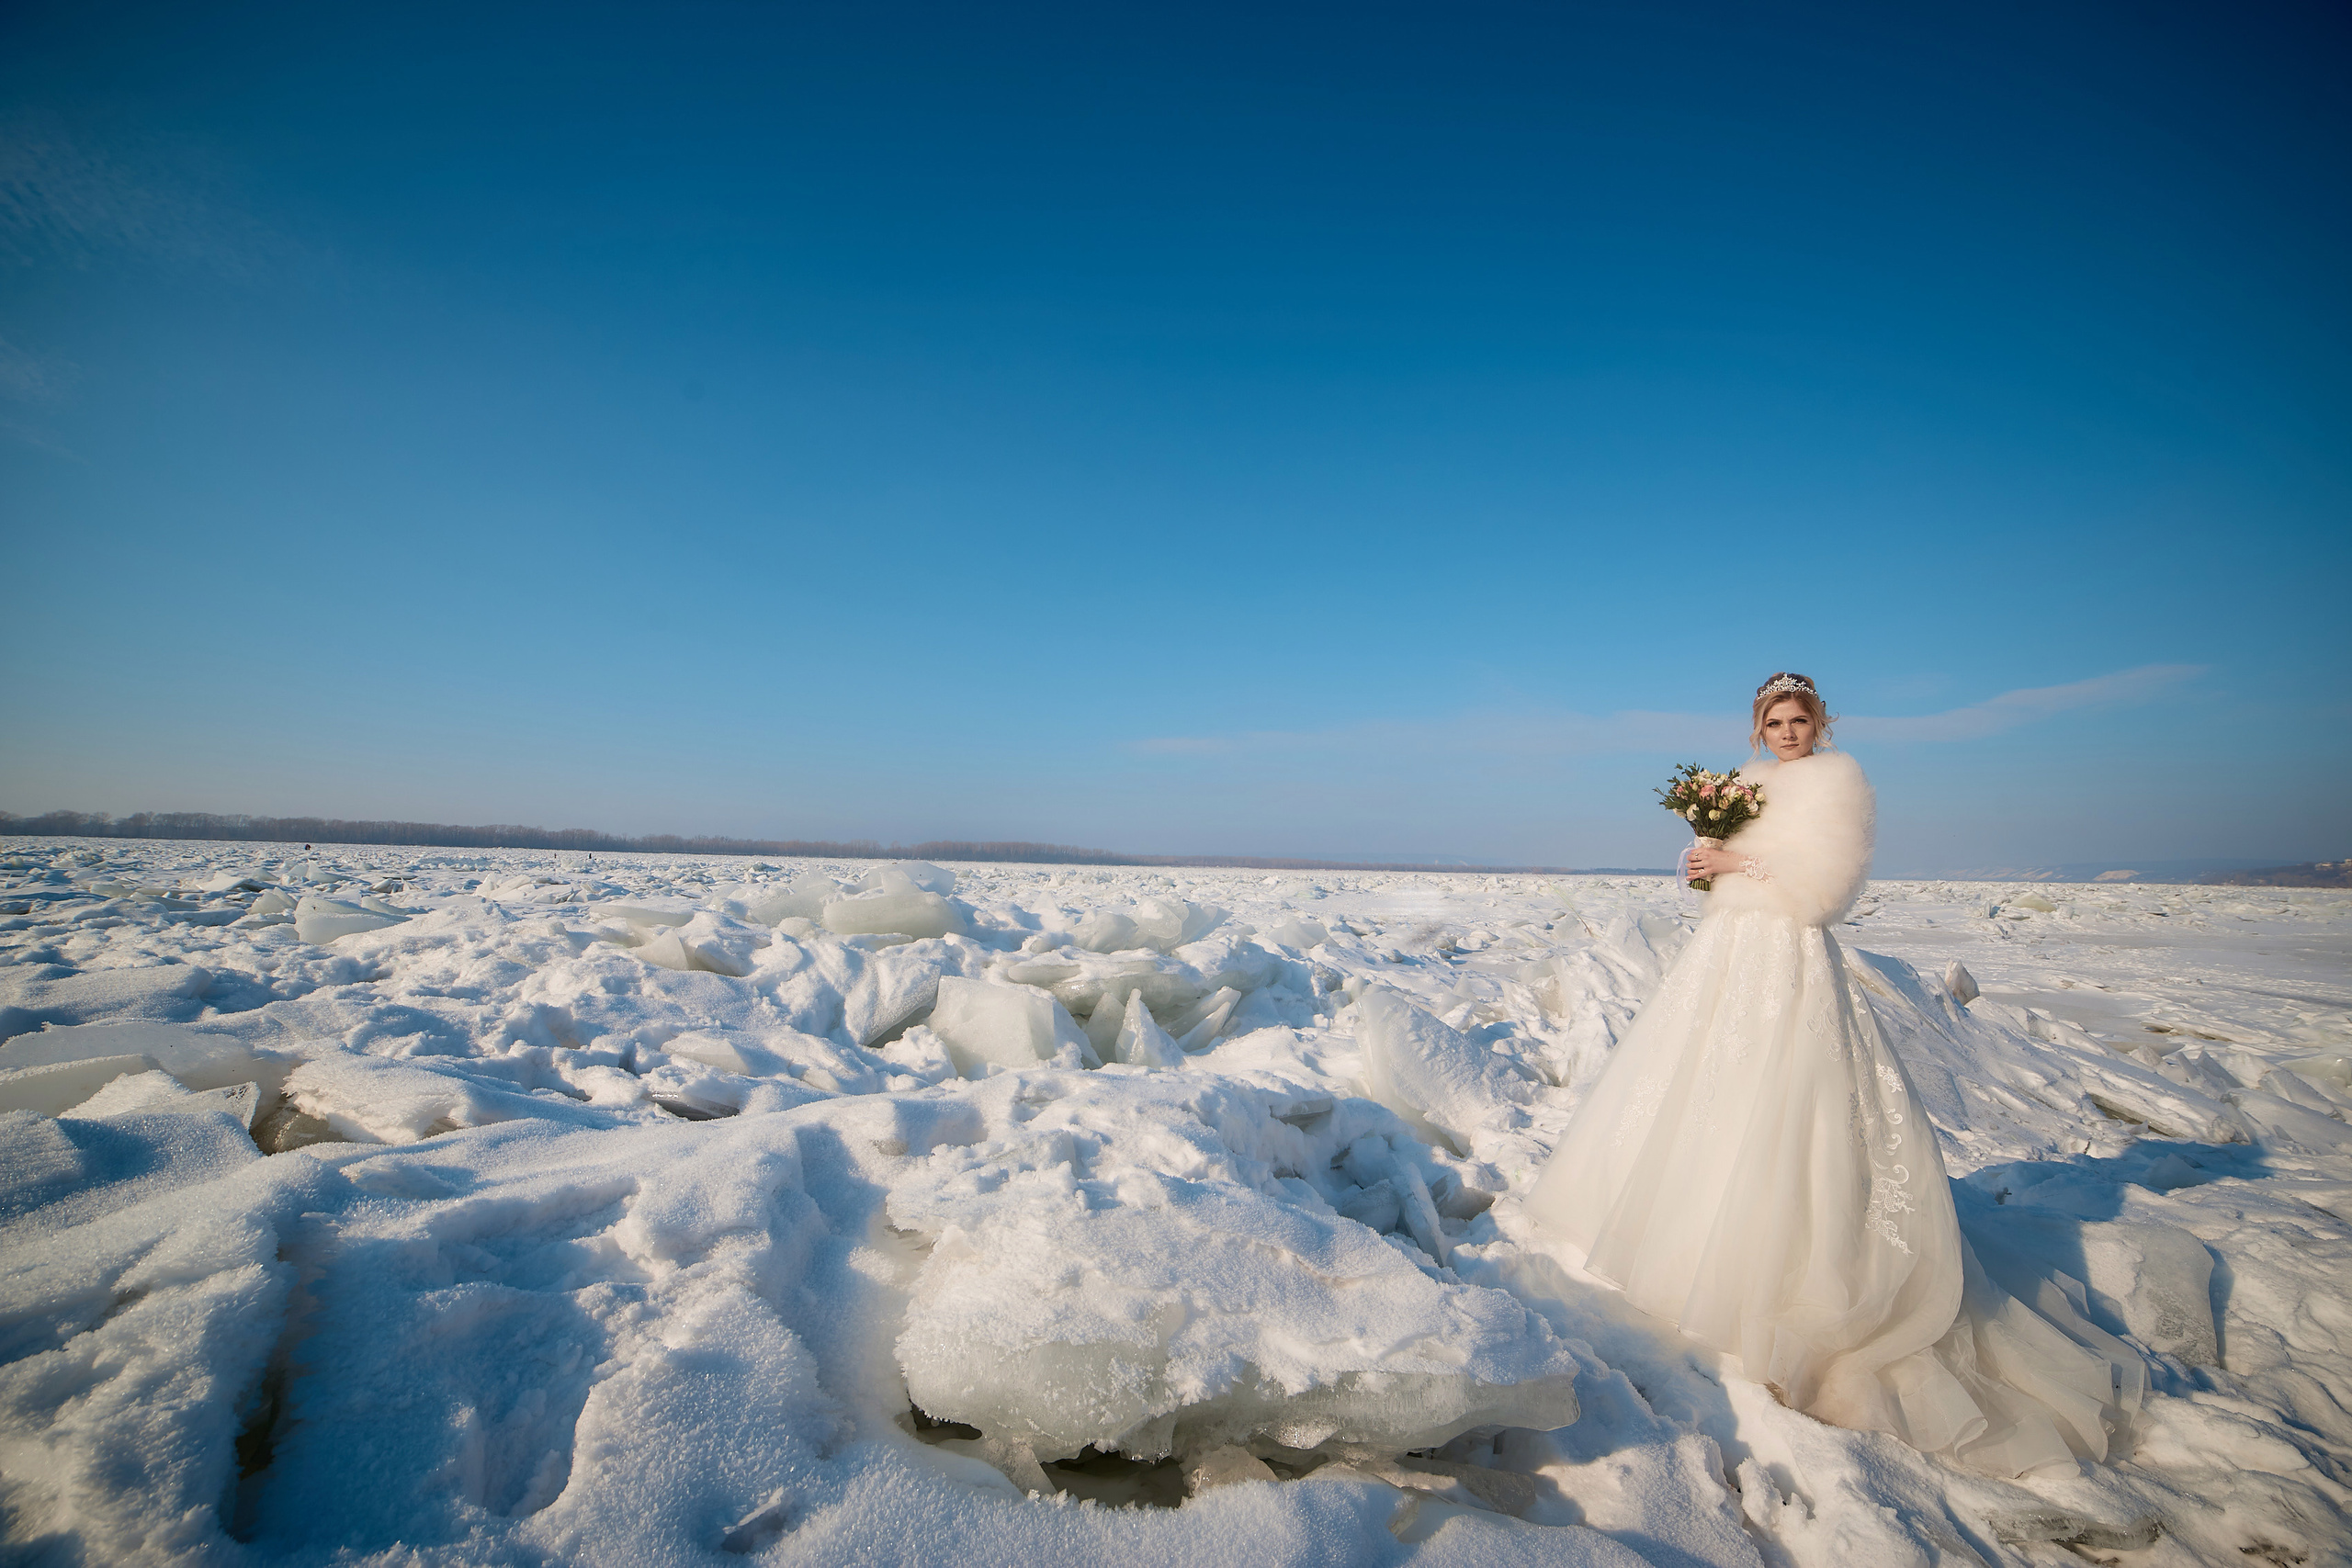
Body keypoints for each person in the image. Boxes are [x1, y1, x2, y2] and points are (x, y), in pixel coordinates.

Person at [1525, 672, 2139, 1475]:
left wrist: (1739, 861)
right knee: (1706, 1095)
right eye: (1774, 721)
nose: (1787, 731)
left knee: (1793, 1105)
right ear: (1757, 726)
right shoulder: (1739, 783)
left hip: (1790, 961)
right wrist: (1706, 861)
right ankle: (1687, 1246)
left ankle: (1781, 1266)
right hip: (1726, 959)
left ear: (1821, 722)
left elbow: (1825, 888)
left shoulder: (1837, 781)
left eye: (1799, 719)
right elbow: (1724, 882)